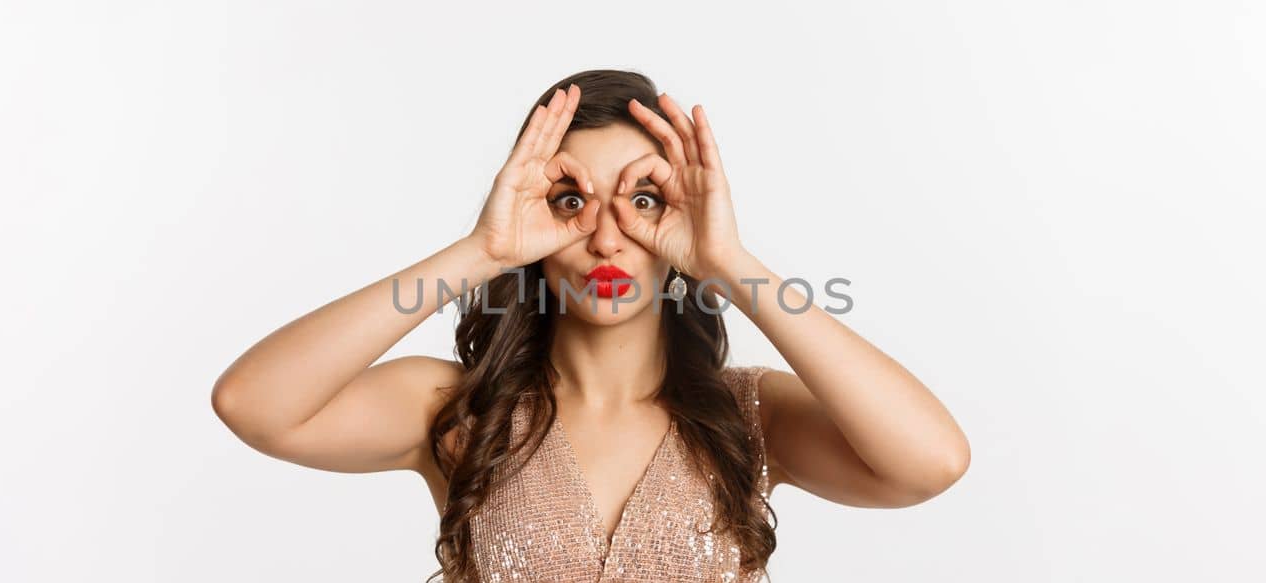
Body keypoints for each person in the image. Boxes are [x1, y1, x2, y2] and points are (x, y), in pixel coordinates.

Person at [210, 69, 971, 582]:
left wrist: (729, 261)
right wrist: (481, 251)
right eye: (571, 200)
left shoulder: (749, 416)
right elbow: (254, 402)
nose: (607, 238)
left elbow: (931, 461)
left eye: (643, 200)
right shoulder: (458, 409)